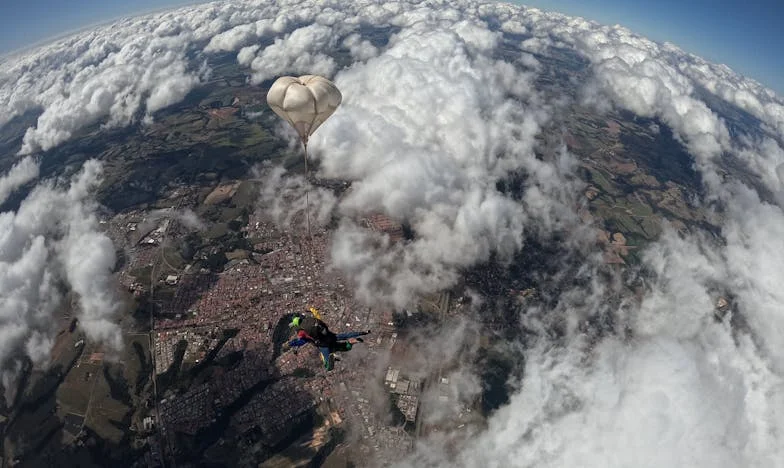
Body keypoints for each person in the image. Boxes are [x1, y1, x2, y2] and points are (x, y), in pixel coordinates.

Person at [286, 308, 371, 370]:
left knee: (328, 366)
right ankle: (353, 341)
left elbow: (301, 341)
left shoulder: (303, 332)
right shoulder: (314, 321)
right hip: (331, 337)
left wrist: (291, 344)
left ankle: (332, 356)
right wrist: (363, 332)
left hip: (323, 345)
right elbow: (317, 314)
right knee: (345, 342)